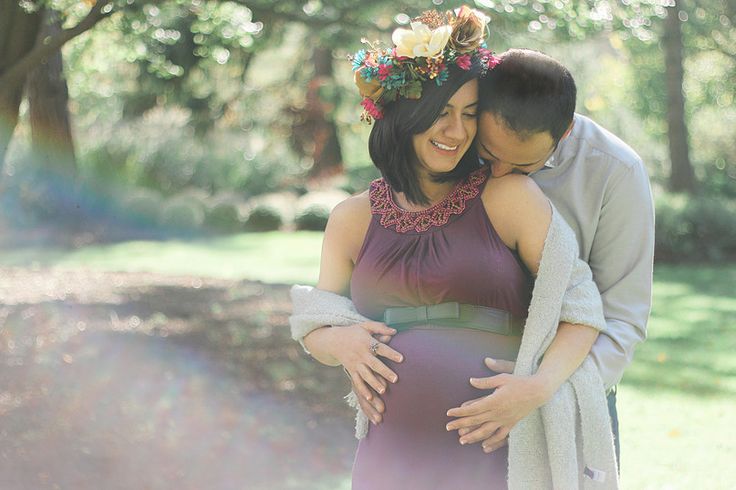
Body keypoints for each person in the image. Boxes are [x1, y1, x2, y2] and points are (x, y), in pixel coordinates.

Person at [290, 7, 618, 489]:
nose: (457, 131)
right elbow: (315, 317)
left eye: (469, 114)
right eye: (440, 113)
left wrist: (536, 388)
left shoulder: (508, 197)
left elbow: (580, 305)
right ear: (404, 114)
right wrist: (338, 341)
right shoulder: (351, 218)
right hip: (392, 453)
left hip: (493, 449)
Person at [354, 48, 655, 465]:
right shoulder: (460, 137)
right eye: (489, 156)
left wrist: (542, 392)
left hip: (568, 391)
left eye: (523, 164)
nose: (497, 176)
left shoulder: (615, 171)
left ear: (564, 132)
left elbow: (622, 314)